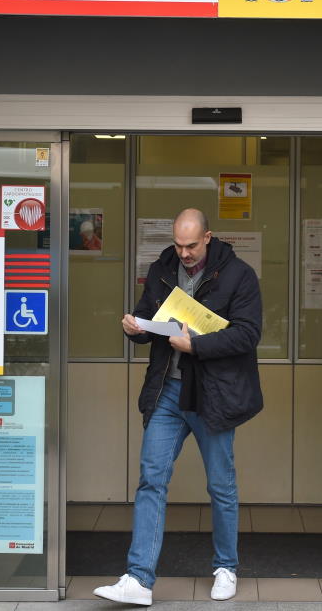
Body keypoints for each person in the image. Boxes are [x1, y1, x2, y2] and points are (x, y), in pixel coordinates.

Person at [94, 208, 263, 605]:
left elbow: (248, 334)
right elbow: (150, 320)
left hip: (211, 395)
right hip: (167, 391)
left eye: (190, 245)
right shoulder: (162, 269)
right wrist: (133, 327)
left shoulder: (239, 275)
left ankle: (226, 567)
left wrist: (197, 345)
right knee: (151, 480)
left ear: (208, 237)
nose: (183, 253)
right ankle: (138, 579)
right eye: (178, 244)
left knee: (221, 485)